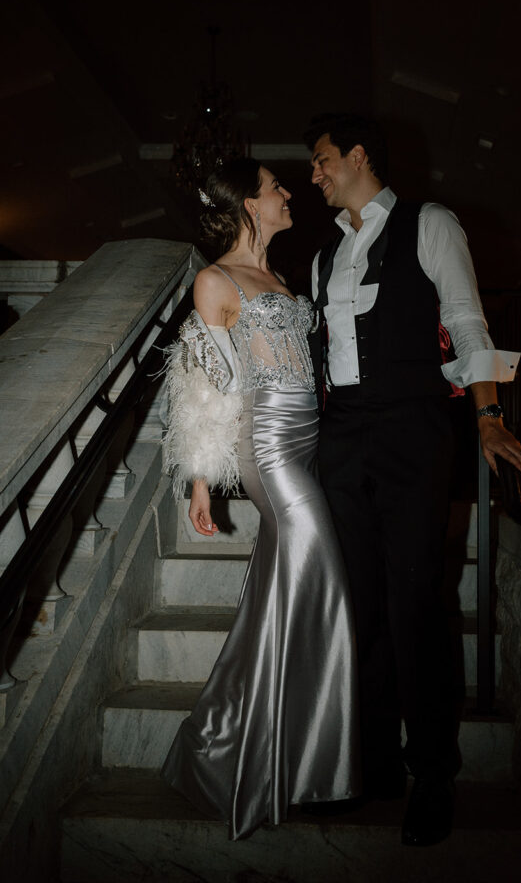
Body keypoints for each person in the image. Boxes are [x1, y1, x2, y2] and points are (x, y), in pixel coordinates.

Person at [304, 113, 521, 847]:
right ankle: (371, 769)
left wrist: (488, 416)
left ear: (360, 156)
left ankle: (431, 771)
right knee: (359, 607)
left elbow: (467, 321)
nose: (316, 174)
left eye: (324, 160)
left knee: (416, 604)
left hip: (412, 433)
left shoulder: (430, 223)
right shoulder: (321, 253)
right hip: (340, 442)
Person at [161, 158, 359, 839]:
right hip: (269, 450)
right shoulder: (213, 279)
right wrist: (198, 485)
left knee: (284, 597)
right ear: (247, 202)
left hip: (309, 443)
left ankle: (252, 748)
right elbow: (205, 388)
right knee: (323, 581)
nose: (287, 193)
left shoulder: (280, 275)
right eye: (275, 186)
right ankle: (308, 764)